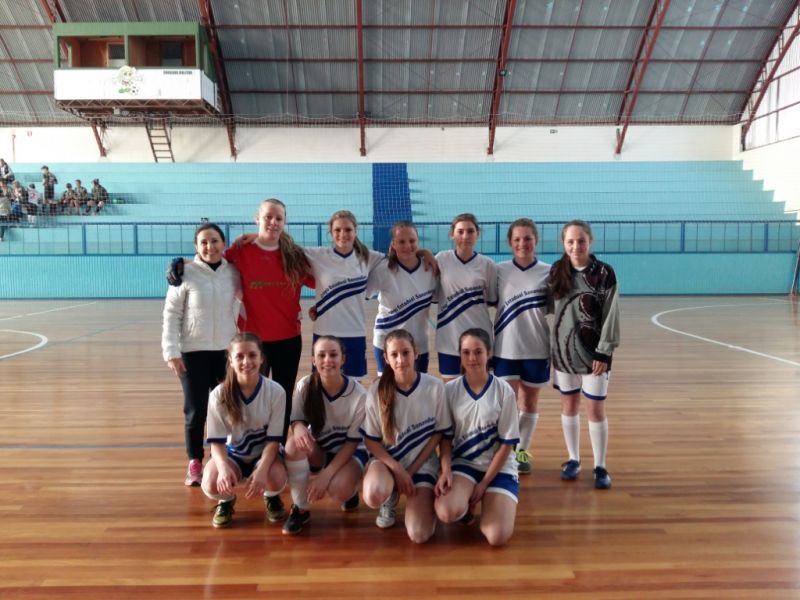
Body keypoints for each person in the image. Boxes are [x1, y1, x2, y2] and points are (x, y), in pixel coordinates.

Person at [168, 199, 314, 439]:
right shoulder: (241, 250)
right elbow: (211, 260)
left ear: (285, 222)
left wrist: (320, 307)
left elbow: (322, 280)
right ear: (257, 218)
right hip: (252, 341)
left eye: (278, 218)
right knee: (249, 394)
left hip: (288, 338)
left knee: (283, 394)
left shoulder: (295, 256)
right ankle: (249, 443)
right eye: (268, 217)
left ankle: (277, 444)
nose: (273, 222)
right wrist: (183, 264)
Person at [162, 223, 242, 486]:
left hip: (226, 354)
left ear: (223, 243)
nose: (210, 247)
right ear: (196, 247)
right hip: (192, 353)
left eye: (215, 241)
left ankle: (225, 457)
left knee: (227, 408)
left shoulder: (233, 273)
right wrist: (171, 352)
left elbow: (246, 301)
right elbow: (172, 314)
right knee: (196, 410)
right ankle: (195, 461)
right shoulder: (185, 274)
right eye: (204, 242)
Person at [360, 330, 451, 544]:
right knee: (373, 494)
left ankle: (425, 504)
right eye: (394, 354)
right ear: (386, 358)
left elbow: (439, 434)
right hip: (387, 463)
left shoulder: (435, 387)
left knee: (419, 535)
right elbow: (370, 440)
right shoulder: (376, 391)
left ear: (416, 353)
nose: (400, 360)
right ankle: (389, 495)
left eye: (405, 353)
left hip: (422, 464)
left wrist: (410, 471)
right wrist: (398, 470)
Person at [550, 220, 620, 490]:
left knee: (595, 409)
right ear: (563, 243)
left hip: (594, 357)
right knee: (569, 406)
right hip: (564, 355)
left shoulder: (604, 273)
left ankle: (600, 466)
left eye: (581, 240)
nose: (576, 246)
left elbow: (611, 315)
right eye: (570, 241)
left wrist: (604, 352)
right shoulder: (556, 271)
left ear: (590, 241)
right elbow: (547, 309)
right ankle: (573, 459)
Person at [434, 328, 519, 546]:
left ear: (488, 353)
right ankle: (465, 507)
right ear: (460, 355)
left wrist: (483, 484)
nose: (472, 358)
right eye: (466, 352)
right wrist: (445, 470)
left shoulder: (504, 391)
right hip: (465, 463)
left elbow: (507, 445)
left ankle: (490, 500)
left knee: (496, 537)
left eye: (478, 352)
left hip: (499, 467)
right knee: (446, 511)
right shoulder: (449, 390)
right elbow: (445, 438)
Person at [281, 335, 367, 535]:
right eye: (321, 355)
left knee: (338, 490)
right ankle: (301, 507)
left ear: (343, 359)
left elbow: (352, 444)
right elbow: (297, 420)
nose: (327, 360)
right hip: (321, 449)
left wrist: (325, 477)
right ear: (313, 360)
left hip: (351, 452)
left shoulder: (359, 395)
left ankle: (351, 491)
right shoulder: (305, 385)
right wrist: (298, 427)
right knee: (293, 445)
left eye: (333, 355)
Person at [201, 333, 289, 528]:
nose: (246, 362)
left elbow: (274, 441)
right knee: (210, 482)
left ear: (262, 358)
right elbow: (216, 442)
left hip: (265, 454)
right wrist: (223, 468)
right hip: (233, 454)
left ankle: (272, 496)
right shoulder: (218, 395)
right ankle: (225, 500)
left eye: (252, 355)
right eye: (239, 356)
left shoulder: (276, 392)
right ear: (230, 360)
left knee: (276, 478)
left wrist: (262, 470)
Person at [493, 218, 551, 474]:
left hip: (536, 348)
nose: (522, 243)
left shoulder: (549, 272)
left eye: (527, 238)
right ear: (509, 242)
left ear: (536, 240)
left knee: (529, 403)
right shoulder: (499, 271)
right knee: (506, 405)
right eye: (517, 239)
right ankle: (504, 454)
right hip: (505, 348)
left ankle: (522, 452)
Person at [305, 210, 386, 379]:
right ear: (331, 232)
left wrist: (424, 253)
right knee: (321, 384)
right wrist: (255, 237)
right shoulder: (317, 255)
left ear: (356, 230)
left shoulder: (369, 257)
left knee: (355, 385)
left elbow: (400, 258)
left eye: (348, 229)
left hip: (354, 332)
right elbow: (282, 249)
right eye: (337, 230)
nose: (343, 234)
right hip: (324, 332)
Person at [366, 220, 437, 375]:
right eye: (401, 241)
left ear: (418, 242)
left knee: (417, 386)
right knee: (387, 387)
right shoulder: (383, 269)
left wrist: (425, 253)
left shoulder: (430, 268)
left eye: (412, 241)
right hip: (387, 341)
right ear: (393, 244)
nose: (407, 246)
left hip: (418, 344)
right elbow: (361, 295)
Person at [434, 213, 497, 379]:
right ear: (452, 234)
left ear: (478, 234)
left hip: (480, 338)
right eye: (460, 231)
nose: (465, 236)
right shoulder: (441, 259)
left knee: (482, 389)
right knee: (451, 390)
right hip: (449, 339)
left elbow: (492, 300)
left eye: (470, 231)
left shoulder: (487, 264)